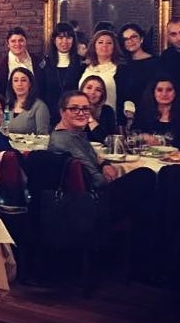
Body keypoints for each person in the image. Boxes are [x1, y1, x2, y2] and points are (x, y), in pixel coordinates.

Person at [48, 90, 157, 271]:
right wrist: (110, 175)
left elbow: (94, 157)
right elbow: (98, 181)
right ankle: (141, 261)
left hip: (89, 198)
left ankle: (137, 258)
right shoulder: (65, 140)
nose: (81, 113)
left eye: (85, 109)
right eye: (74, 109)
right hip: (89, 205)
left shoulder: (76, 134)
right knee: (146, 177)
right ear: (62, 112)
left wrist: (105, 163)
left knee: (146, 200)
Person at [115, 23, 162, 128]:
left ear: (141, 38)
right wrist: (121, 122)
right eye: (126, 39)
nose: (130, 41)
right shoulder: (122, 66)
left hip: (152, 115)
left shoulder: (156, 62)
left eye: (133, 37)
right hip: (128, 118)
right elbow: (120, 96)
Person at [36, 22, 84, 125]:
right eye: (60, 38)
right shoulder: (45, 64)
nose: (64, 41)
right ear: (54, 40)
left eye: (68, 38)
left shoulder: (81, 63)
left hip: (75, 115)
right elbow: (40, 91)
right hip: (50, 116)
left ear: (73, 40)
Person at [131, 77, 180, 151]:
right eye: (159, 90)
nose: (164, 94)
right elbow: (132, 137)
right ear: (153, 92)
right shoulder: (142, 114)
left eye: (169, 90)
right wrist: (143, 137)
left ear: (176, 92)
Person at [80, 29, 121, 112]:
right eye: (100, 42)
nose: (104, 45)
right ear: (94, 46)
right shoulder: (82, 67)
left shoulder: (122, 69)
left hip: (109, 114)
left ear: (114, 47)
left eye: (109, 43)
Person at [0, 26, 37, 94]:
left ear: (26, 42)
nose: (17, 44)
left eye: (21, 40)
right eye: (13, 41)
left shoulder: (38, 62)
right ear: (8, 44)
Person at [6, 67, 50, 135]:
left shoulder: (39, 106)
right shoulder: (7, 106)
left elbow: (43, 136)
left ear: (30, 84)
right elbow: (3, 129)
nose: (19, 84)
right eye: (15, 80)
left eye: (23, 80)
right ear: (11, 84)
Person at [79, 75, 117, 144]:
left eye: (98, 90)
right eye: (89, 88)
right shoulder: (71, 109)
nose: (92, 92)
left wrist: (90, 118)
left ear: (102, 94)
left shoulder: (107, 111)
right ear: (82, 90)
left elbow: (107, 140)